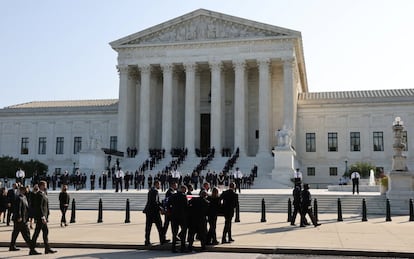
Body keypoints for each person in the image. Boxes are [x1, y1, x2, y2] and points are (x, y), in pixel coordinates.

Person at [9, 186, 37, 253]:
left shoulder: (24, 197)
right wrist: (19, 217)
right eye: (26, 190)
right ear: (23, 190)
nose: (27, 191)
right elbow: (18, 208)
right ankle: (32, 248)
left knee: (15, 233)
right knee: (26, 234)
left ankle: (12, 246)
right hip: (20, 219)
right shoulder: (19, 198)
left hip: (23, 218)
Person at [31, 180, 57, 254]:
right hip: (41, 217)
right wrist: (42, 216)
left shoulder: (44, 194)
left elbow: (45, 206)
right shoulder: (39, 194)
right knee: (37, 233)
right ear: (41, 186)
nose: (46, 186)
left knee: (45, 232)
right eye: (45, 185)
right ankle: (32, 249)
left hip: (43, 217)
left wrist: (47, 215)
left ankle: (47, 248)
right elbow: (39, 207)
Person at [143, 180, 169, 246]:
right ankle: (162, 240)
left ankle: (147, 241)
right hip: (154, 212)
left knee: (148, 227)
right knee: (160, 226)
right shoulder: (155, 191)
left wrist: (162, 205)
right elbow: (155, 202)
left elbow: (155, 201)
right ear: (156, 184)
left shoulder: (151, 190)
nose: (160, 186)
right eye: (159, 184)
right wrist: (161, 209)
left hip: (149, 211)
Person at [167, 185, 188, 253]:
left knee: (174, 233)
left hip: (174, 216)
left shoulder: (173, 196)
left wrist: (170, 211)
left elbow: (168, 204)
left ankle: (173, 248)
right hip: (182, 216)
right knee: (184, 231)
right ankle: (182, 247)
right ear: (183, 190)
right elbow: (186, 206)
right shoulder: (183, 196)